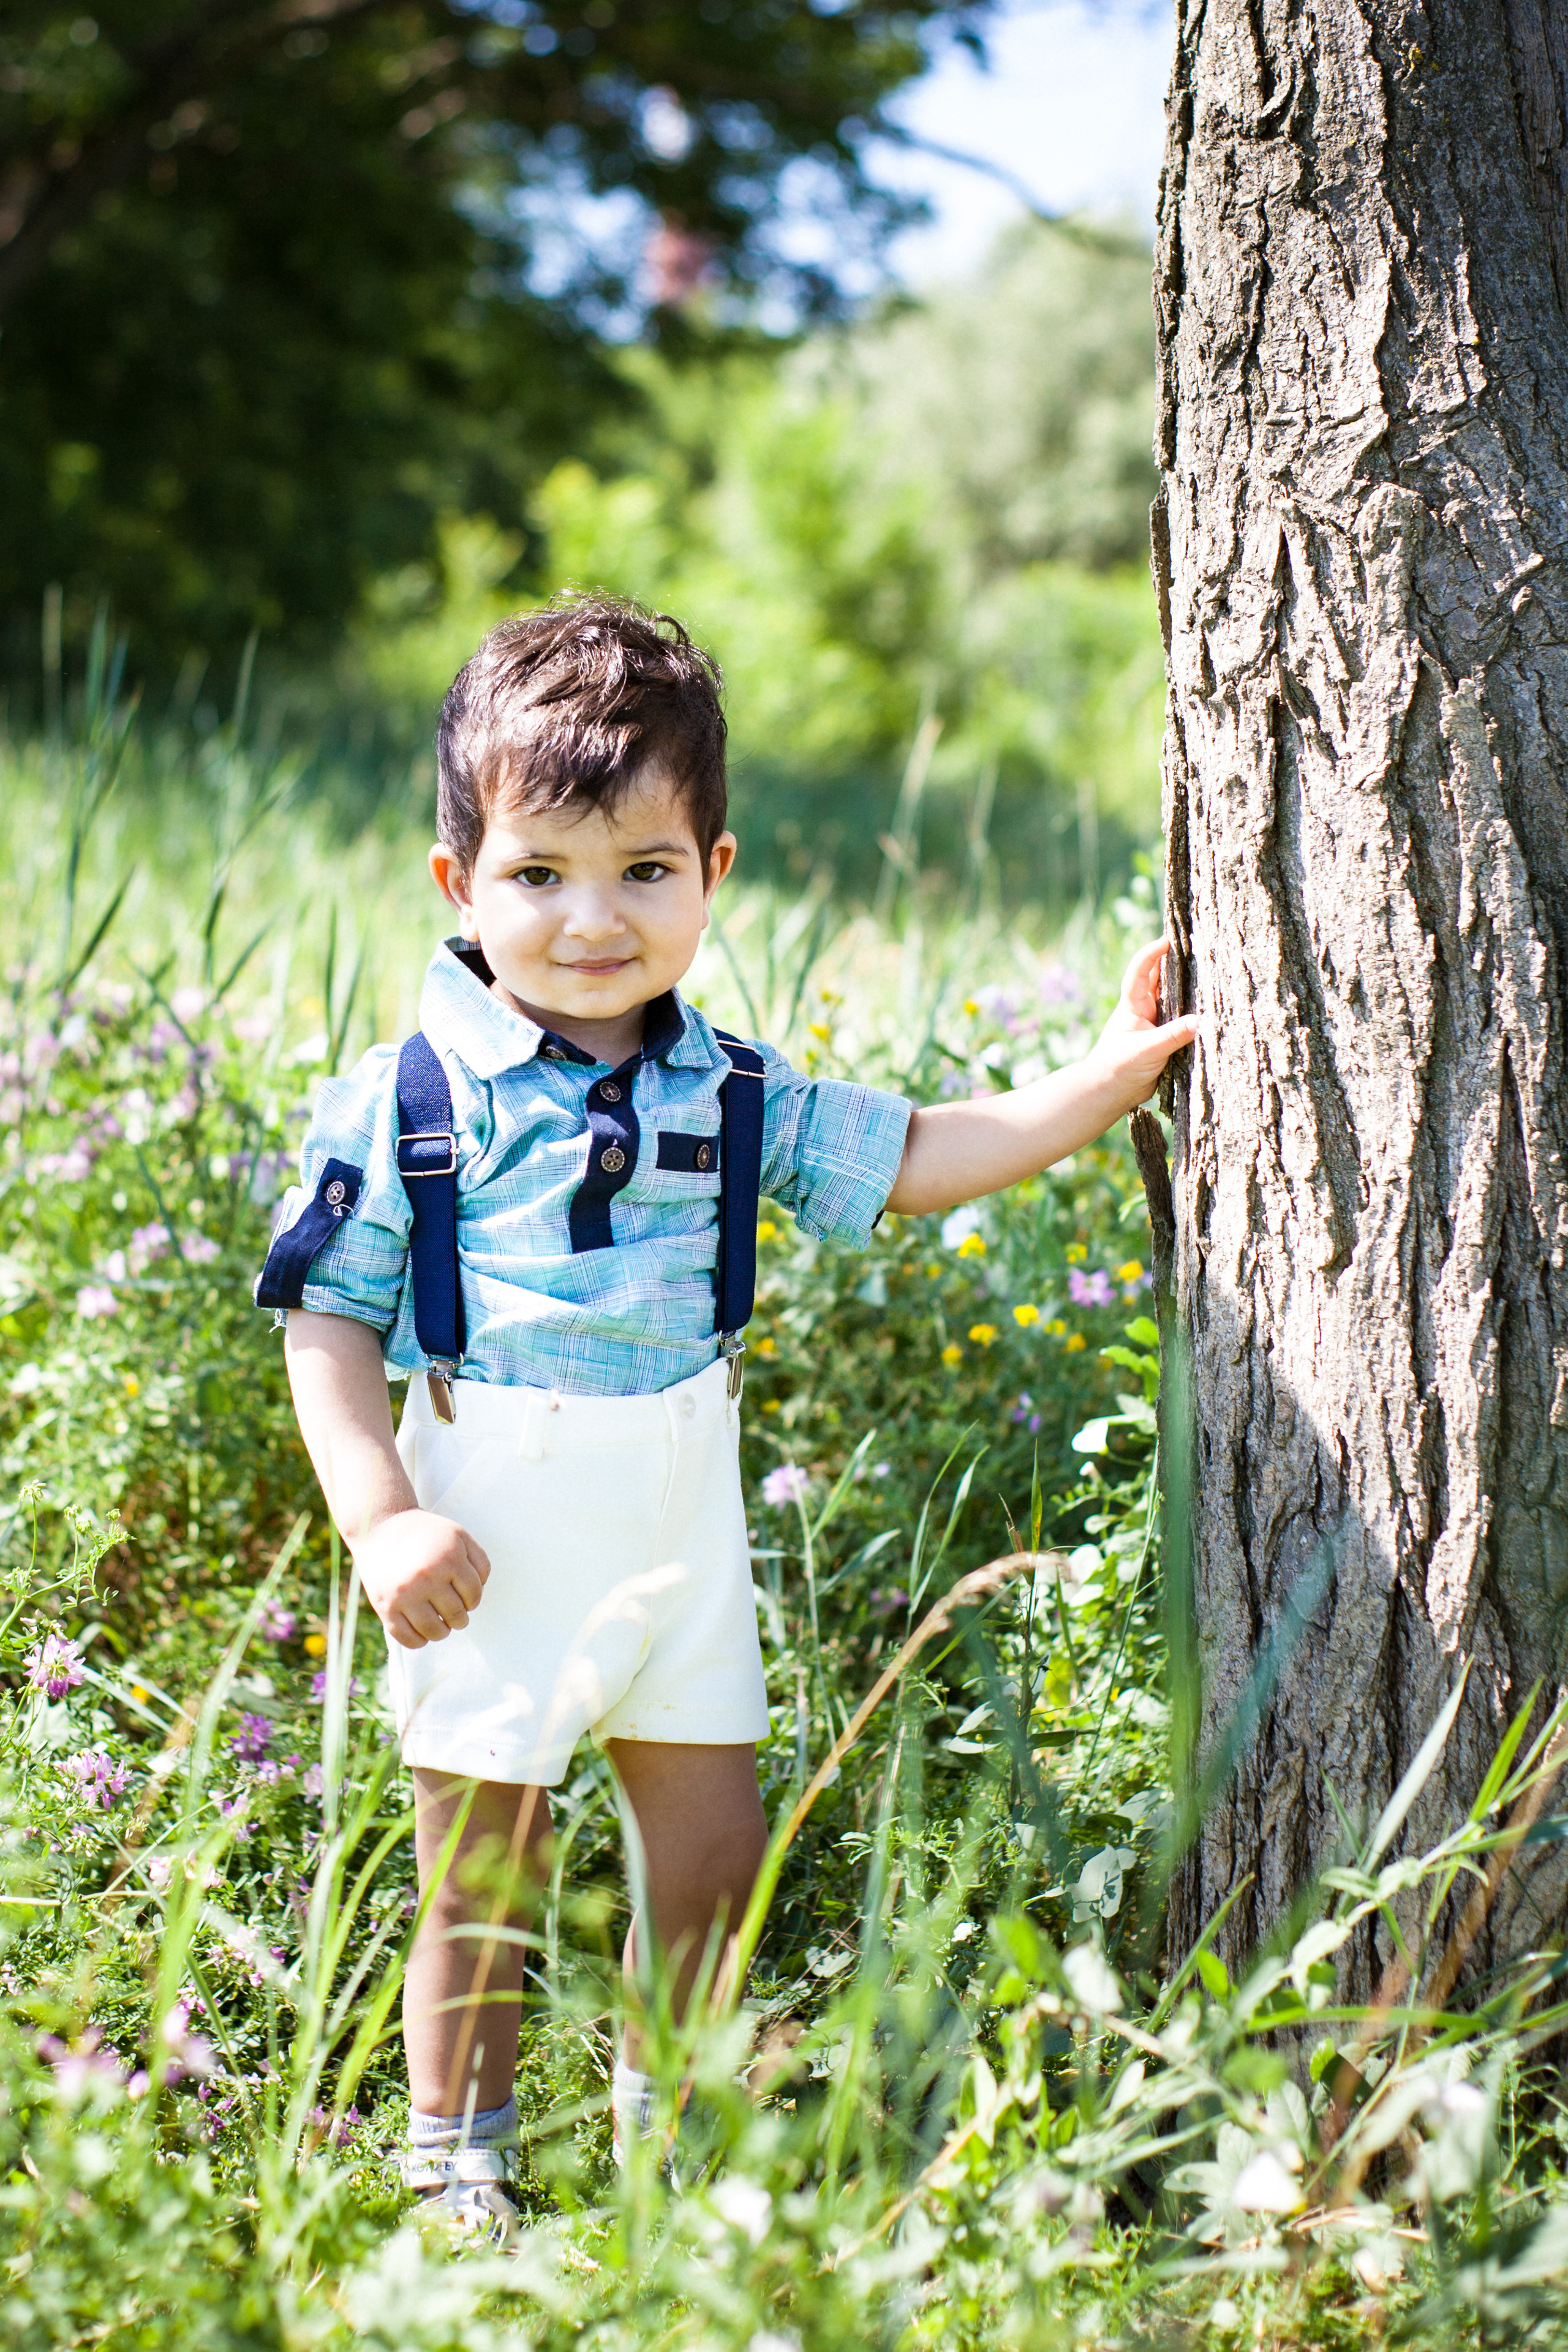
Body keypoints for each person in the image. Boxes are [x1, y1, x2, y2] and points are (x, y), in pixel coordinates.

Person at [258, 593, 1195, 2237]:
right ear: (458, 884)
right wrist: (381, 1515)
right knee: (480, 1874)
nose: (592, 918)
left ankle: (676, 2138)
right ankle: (457, 2158)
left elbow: (913, 1156)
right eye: (538, 874)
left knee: (712, 1852)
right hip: (488, 1514)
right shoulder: (409, 1096)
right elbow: (330, 1326)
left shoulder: (731, 1087)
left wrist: (1099, 1081)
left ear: (716, 873)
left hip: (683, 1513)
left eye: (644, 871)